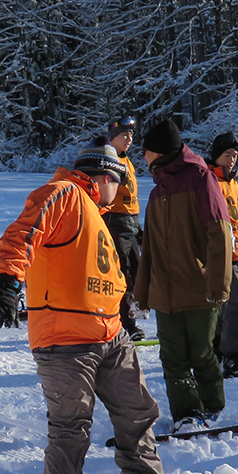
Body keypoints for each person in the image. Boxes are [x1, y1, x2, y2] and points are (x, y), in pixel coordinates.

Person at [0, 139, 197, 474]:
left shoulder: (97, 216)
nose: (123, 191)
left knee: (138, 413)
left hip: (109, 334)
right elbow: (22, 233)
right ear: (105, 178)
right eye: (121, 182)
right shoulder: (63, 193)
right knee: (70, 426)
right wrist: (8, 282)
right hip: (64, 339)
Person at [132, 118, 233, 431]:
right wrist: (143, 292)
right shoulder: (156, 191)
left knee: (201, 353)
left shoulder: (200, 178)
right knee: (172, 357)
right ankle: (187, 413)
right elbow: (147, 248)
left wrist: (218, 284)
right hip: (165, 291)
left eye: (146, 151)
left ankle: (212, 406)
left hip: (199, 287)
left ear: (160, 152)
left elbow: (220, 234)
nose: (143, 156)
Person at [210, 132, 238, 376]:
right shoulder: (209, 181)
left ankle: (221, 350)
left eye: (235, 155)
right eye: (227, 155)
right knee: (230, 305)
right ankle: (233, 355)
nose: (232, 160)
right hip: (221, 252)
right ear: (217, 155)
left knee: (230, 304)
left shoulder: (233, 182)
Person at [100, 116, 146, 340]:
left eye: (130, 135)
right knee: (122, 272)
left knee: (136, 273)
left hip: (130, 222)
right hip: (114, 221)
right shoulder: (108, 161)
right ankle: (124, 323)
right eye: (123, 136)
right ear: (113, 138)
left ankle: (129, 317)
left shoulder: (127, 161)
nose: (128, 139)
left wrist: (137, 227)